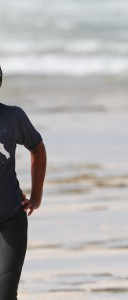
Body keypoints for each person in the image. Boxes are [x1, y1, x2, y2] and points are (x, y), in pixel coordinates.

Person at [0, 66, 47, 299]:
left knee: (6, 294)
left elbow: (36, 146)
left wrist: (37, 195)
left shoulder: (12, 117)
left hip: (10, 221)